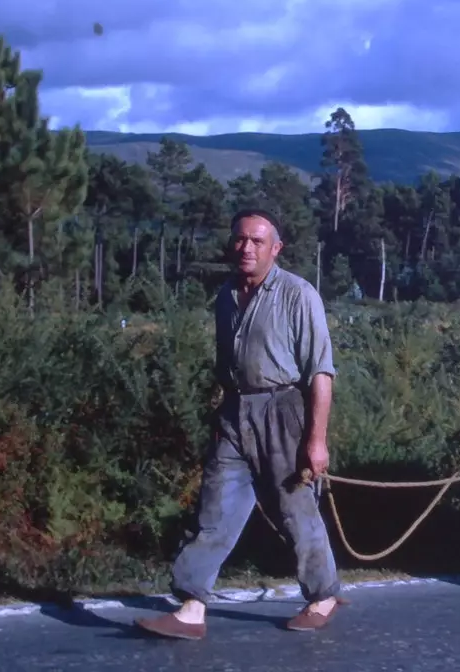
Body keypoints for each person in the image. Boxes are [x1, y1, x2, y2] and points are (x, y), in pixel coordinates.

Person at [136, 209, 344, 640]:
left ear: (276, 248)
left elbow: (321, 373)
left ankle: (322, 595)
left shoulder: (297, 294)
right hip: (234, 412)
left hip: (283, 409)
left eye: (257, 241)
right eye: (240, 240)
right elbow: (225, 365)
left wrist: (317, 441)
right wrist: (222, 413)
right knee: (214, 509)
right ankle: (192, 607)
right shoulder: (227, 295)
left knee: (295, 511)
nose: (246, 248)